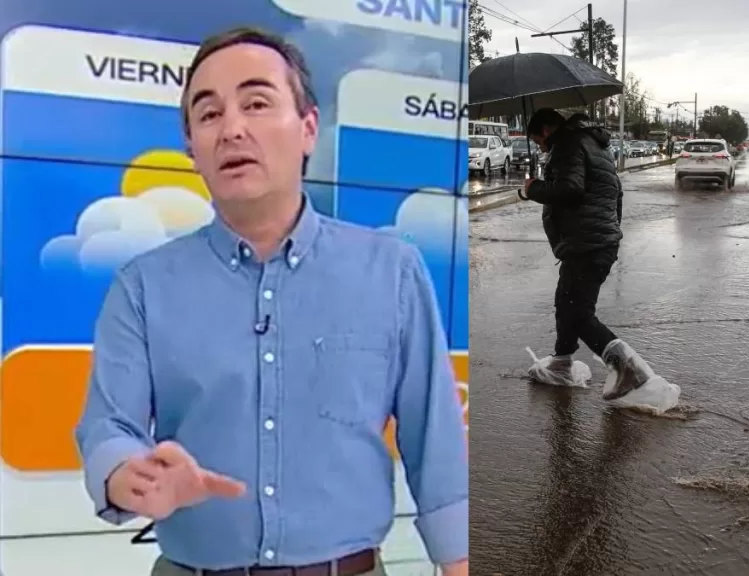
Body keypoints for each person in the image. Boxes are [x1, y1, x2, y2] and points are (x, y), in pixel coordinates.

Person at [74, 27, 468, 576]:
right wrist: (129, 475)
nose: (232, 128)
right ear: (192, 151)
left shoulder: (391, 271)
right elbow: (109, 427)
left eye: (256, 103)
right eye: (209, 114)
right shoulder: (142, 286)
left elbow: (436, 440)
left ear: (308, 128)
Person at [520, 108, 660, 400]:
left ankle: (628, 370)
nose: (540, 147)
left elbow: (570, 190)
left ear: (545, 130)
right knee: (566, 302)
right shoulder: (594, 145)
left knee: (578, 313)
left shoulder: (568, 145)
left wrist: (534, 189)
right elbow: (616, 193)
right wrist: (608, 232)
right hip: (592, 242)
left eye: (537, 141)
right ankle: (561, 362)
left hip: (586, 244)